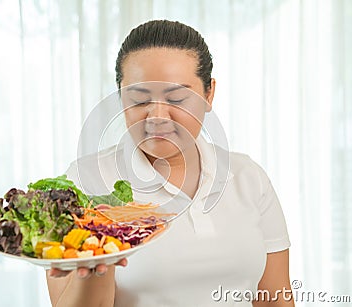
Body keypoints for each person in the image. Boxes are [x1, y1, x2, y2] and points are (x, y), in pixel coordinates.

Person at [46, 20, 295, 307]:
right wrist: (95, 257)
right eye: (139, 100)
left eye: (177, 98)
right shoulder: (84, 182)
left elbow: (275, 299)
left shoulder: (247, 177)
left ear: (208, 94)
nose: (158, 116)